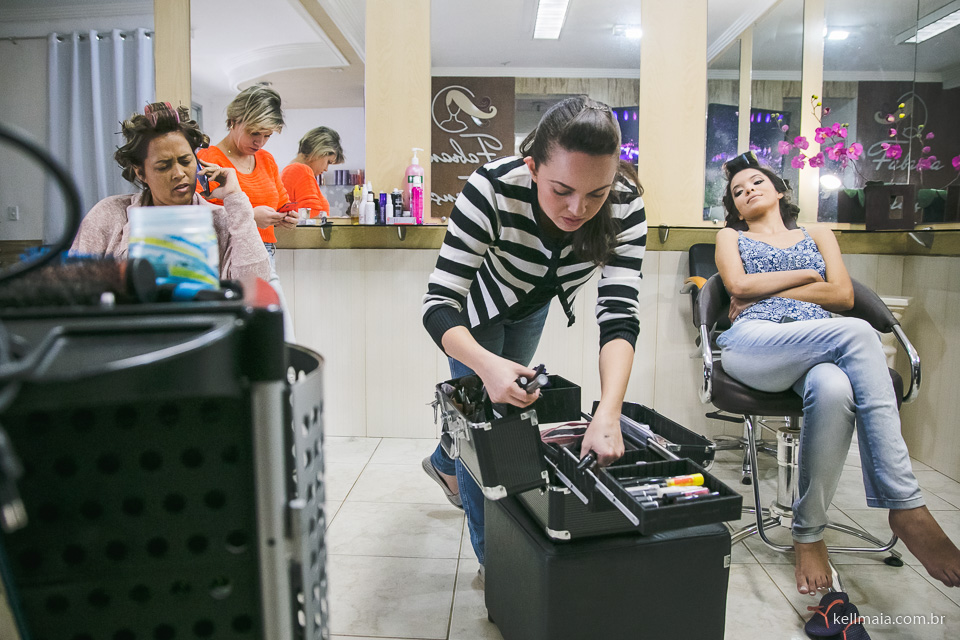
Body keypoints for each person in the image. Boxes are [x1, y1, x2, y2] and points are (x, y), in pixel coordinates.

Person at [714, 151, 960, 595]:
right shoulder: (730, 238)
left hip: (820, 342)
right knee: (856, 333)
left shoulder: (819, 233)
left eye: (756, 182)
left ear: (781, 190)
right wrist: (808, 275)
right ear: (734, 207)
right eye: (738, 191)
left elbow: (843, 293)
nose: (747, 190)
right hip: (755, 342)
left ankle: (808, 534)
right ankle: (905, 505)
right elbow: (738, 287)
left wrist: (775, 282)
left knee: (832, 387)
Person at [420, 96, 647, 569]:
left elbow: (619, 316)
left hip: (535, 305)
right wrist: (486, 366)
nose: (577, 208)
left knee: (499, 412)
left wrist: (609, 412)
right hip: (476, 309)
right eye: (561, 189)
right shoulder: (492, 187)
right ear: (532, 167)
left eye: (596, 193)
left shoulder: (626, 202)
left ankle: (446, 459)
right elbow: (439, 304)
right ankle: (496, 566)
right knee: (491, 428)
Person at [72, 102, 269, 282]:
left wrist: (236, 198)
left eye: (185, 161)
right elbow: (75, 284)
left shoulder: (220, 221)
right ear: (141, 172)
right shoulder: (109, 215)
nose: (179, 173)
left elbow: (256, 284)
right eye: (163, 166)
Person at [198, 85, 297, 339]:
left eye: (267, 135)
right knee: (259, 337)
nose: (260, 142)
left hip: (265, 255)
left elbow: (281, 199)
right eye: (255, 133)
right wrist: (252, 215)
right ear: (233, 121)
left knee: (273, 335)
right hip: (228, 259)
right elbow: (202, 213)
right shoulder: (210, 160)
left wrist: (287, 214)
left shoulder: (267, 160)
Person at [281, 126, 345, 219]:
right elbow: (312, 216)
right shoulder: (302, 170)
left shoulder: (289, 170)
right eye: (328, 162)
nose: (326, 169)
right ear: (319, 152)